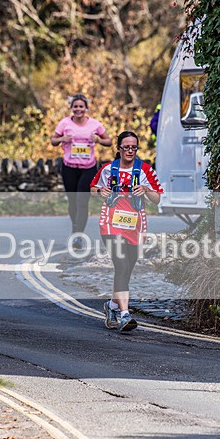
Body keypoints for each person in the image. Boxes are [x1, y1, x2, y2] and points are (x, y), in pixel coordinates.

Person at [90, 131, 163, 331]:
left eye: (134, 147)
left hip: (135, 226)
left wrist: (146, 191)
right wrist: (100, 192)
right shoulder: (108, 169)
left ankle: (112, 305)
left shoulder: (145, 170)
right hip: (111, 224)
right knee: (121, 266)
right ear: (119, 149)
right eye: (126, 147)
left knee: (127, 270)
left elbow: (157, 198)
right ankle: (124, 314)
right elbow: (94, 188)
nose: (130, 151)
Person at [50, 94, 112, 249]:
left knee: (82, 201)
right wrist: (62, 139)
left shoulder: (95, 124)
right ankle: (75, 226)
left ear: (86, 108)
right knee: (72, 203)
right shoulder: (64, 123)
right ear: (72, 108)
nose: (78, 109)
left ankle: (78, 235)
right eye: (75, 106)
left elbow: (109, 141)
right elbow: (53, 140)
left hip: (88, 168)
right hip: (69, 167)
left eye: (81, 106)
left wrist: (98, 140)